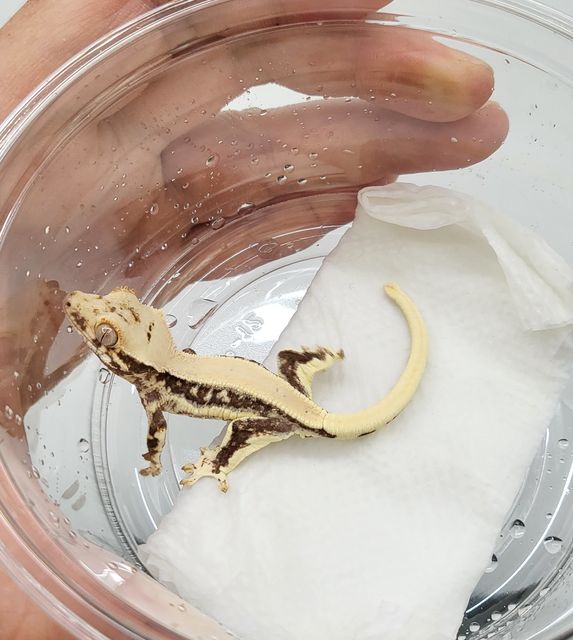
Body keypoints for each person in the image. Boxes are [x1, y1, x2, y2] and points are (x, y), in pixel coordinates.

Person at [0, 1, 508, 638]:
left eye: (109, 320)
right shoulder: (160, 364)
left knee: (235, 439)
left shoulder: (156, 386)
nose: (89, 309)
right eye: (106, 325)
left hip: (281, 415)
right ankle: (303, 375)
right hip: (277, 395)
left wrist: (173, 460)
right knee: (284, 378)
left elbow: (157, 430)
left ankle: (222, 461)